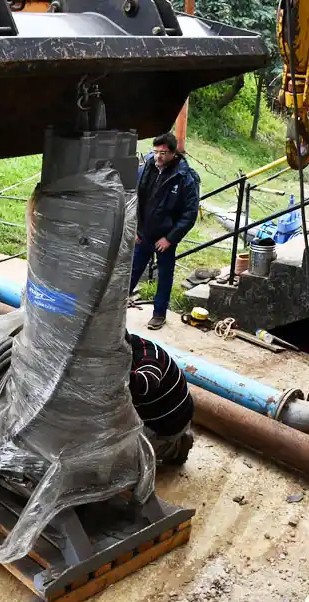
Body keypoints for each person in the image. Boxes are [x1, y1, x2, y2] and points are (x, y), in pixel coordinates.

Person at [131, 133, 201, 330]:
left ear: (173, 153)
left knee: (164, 277)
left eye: (163, 153)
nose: (158, 157)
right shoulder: (146, 168)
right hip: (143, 234)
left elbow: (190, 213)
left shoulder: (185, 177)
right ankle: (115, 307)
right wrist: (135, 228)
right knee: (132, 272)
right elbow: (134, 199)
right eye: (155, 152)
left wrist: (170, 239)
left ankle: (159, 314)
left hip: (165, 238)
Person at [126, 331, 194, 466]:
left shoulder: (149, 355)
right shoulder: (123, 353)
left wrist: (110, 375)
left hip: (165, 425)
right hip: (146, 414)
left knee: (123, 463)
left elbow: (148, 383)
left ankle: (174, 448)